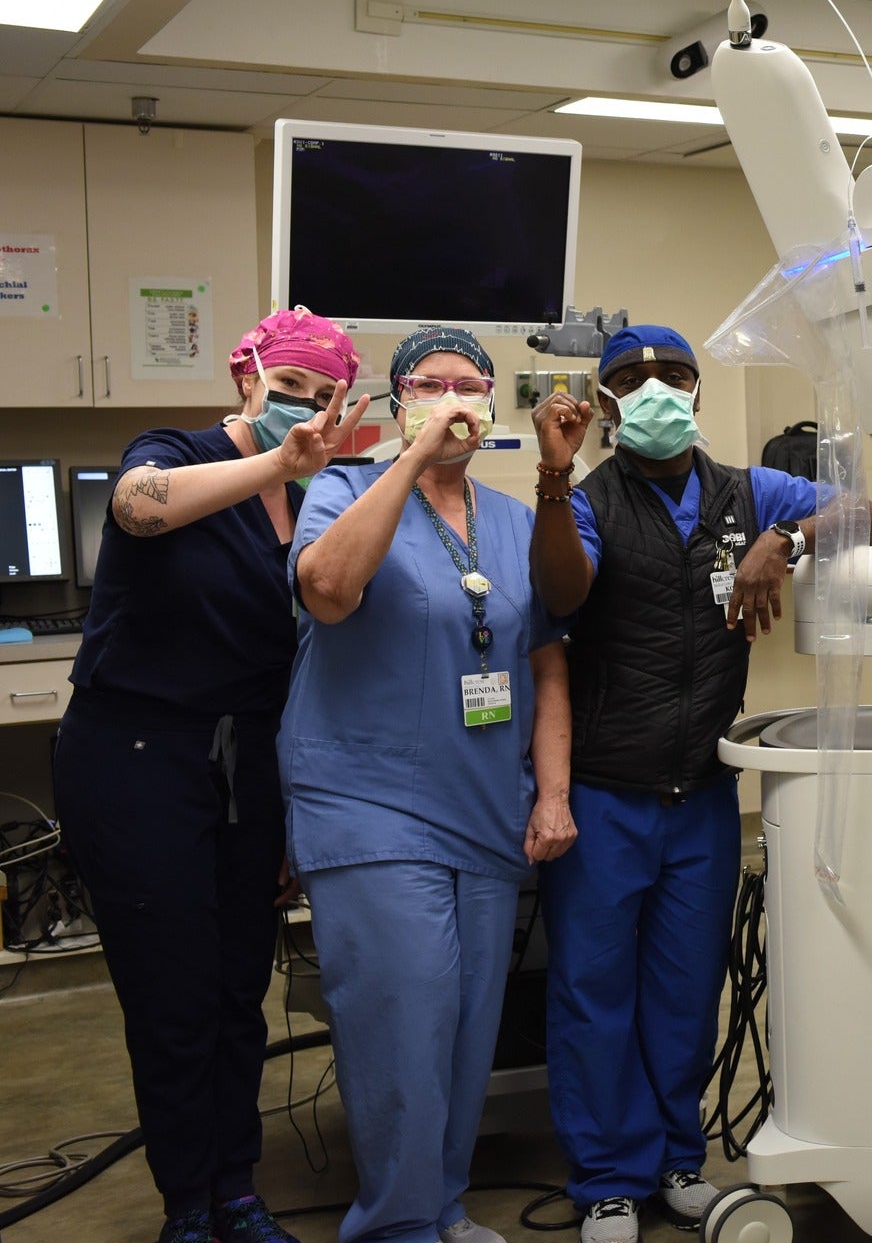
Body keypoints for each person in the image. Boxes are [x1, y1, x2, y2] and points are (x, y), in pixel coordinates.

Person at [526, 324, 872, 1243]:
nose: (656, 390)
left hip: (701, 792)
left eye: (674, 375)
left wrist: (783, 539)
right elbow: (562, 593)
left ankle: (678, 1162)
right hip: (609, 792)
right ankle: (608, 1180)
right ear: (606, 403)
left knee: (688, 990)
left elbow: (870, 514)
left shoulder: (746, 490)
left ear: (696, 390)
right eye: (632, 379)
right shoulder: (591, 500)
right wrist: (553, 476)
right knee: (595, 991)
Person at [53, 307, 368, 1243]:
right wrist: (278, 463)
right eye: (288, 388)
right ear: (247, 377)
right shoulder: (178, 452)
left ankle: (236, 1188)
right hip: (136, 755)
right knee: (174, 993)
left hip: (248, 763)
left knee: (238, 991)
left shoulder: (323, 499)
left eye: (323, 396)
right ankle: (188, 1205)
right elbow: (136, 504)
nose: (302, 408)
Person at [283, 327, 576, 1243]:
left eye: (471, 384)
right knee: (402, 1026)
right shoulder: (342, 488)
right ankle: (395, 1227)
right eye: (431, 384)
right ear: (403, 398)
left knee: (463, 1029)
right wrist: (407, 457)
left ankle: (437, 1204)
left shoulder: (515, 519)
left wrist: (552, 793)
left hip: (485, 805)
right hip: (369, 801)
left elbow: (546, 663)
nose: (454, 397)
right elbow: (327, 588)